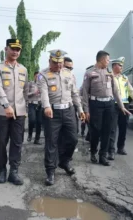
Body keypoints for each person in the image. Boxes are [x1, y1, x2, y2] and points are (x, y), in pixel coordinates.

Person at [38, 49, 85, 186]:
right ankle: (50, 172)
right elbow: (44, 93)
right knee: (51, 143)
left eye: (60, 63)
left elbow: (75, 93)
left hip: (69, 110)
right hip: (52, 112)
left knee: (73, 139)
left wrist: (80, 109)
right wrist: (46, 106)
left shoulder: (69, 74)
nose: (58, 65)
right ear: (49, 61)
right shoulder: (43, 75)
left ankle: (64, 161)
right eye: (55, 62)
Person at [82, 50, 131, 167]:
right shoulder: (90, 73)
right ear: (102, 60)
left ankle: (102, 156)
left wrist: (121, 106)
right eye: (108, 60)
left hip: (109, 105)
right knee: (96, 131)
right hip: (95, 104)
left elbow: (115, 91)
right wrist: (86, 110)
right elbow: (84, 93)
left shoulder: (110, 72)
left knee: (107, 131)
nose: (109, 62)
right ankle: (93, 151)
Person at [0, 39, 28, 185]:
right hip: (1, 112)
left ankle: (14, 171)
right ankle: (2, 170)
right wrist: (6, 106)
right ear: (6, 49)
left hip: (19, 112)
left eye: (18, 49)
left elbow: (25, 90)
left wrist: (27, 107)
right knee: (1, 142)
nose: (15, 52)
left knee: (17, 142)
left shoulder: (23, 69)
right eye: (12, 48)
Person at [107, 57, 133, 160]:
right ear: (114, 66)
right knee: (112, 128)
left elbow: (131, 91)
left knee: (123, 128)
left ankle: (121, 148)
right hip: (113, 104)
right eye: (120, 65)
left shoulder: (124, 78)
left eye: (122, 65)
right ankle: (111, 151)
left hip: (125, 104)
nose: (122, 67)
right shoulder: (109, 77)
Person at [27, 71, 42, 144]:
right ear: (34, 76)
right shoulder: (30, 83)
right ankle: (30, 134)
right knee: (32, 120)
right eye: (36, 76)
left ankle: (37, 139)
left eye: (39, 76)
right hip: (32, 104)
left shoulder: (42, 85)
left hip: (39, 104)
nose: (38, 77)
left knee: (39, 122)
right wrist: (33, 93)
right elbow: (26, 94)